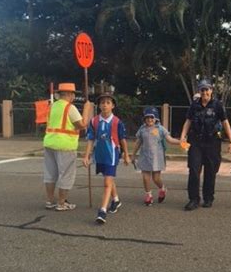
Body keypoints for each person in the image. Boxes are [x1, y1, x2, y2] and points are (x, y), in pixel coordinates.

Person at [180, 79, 231, 210]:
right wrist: (183, 136)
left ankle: (208, 197)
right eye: (202, 90)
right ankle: (193, 199)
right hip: (196, 141)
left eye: (207, 89)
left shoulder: (217, 105)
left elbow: (225, 122)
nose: (205, 92)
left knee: (210, 171)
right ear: (199, 91)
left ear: (211, 90)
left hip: (212, 142)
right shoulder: (194, 105)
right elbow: (188, 121)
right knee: (194, 169)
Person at [43, 83, 92, 211]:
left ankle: (50, 201)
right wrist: (87, 109)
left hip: (49, 142)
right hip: (65, 145)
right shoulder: (70, 108)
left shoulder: (52, 106)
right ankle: (61, 203)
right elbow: (82, 124)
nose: (74, 97)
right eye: (73, 94)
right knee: (66, 175)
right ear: (70, 94)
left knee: (50, 174)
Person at [82, 93, 130, 224]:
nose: (105, 105)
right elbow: (91, 139)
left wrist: (126, 154)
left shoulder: (117, 122)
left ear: (113, 106)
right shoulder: (94, 121)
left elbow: (122, 139)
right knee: (108, 178)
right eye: (102, 102)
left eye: (108, 103)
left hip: (112, 155)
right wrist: (87, 155)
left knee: (107, 183)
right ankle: (116, 200)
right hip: (100, 154)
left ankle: (102, 211)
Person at [132, 106, 181, 205]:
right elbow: (138, 142)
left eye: (152, 117)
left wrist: (180, 142)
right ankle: (148, 195)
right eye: (147, 117)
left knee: (156, 178)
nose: (149, 119)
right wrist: (133, 154)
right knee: (145, 177)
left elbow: (170, 140)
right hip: (145, 156)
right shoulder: (142, 129)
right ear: (144, 119)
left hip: (157, 158)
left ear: (156, 119)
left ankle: (162, 188)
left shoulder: (160, 129)